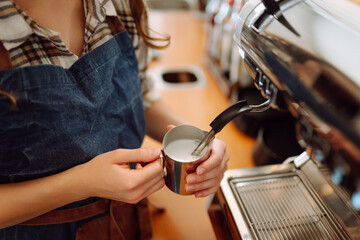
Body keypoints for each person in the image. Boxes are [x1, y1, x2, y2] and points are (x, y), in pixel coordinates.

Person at [0, 0, 229, 239]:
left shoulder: (121, 5)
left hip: (123, 220)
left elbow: (139, 94)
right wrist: (82, 183)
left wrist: (197, 143)